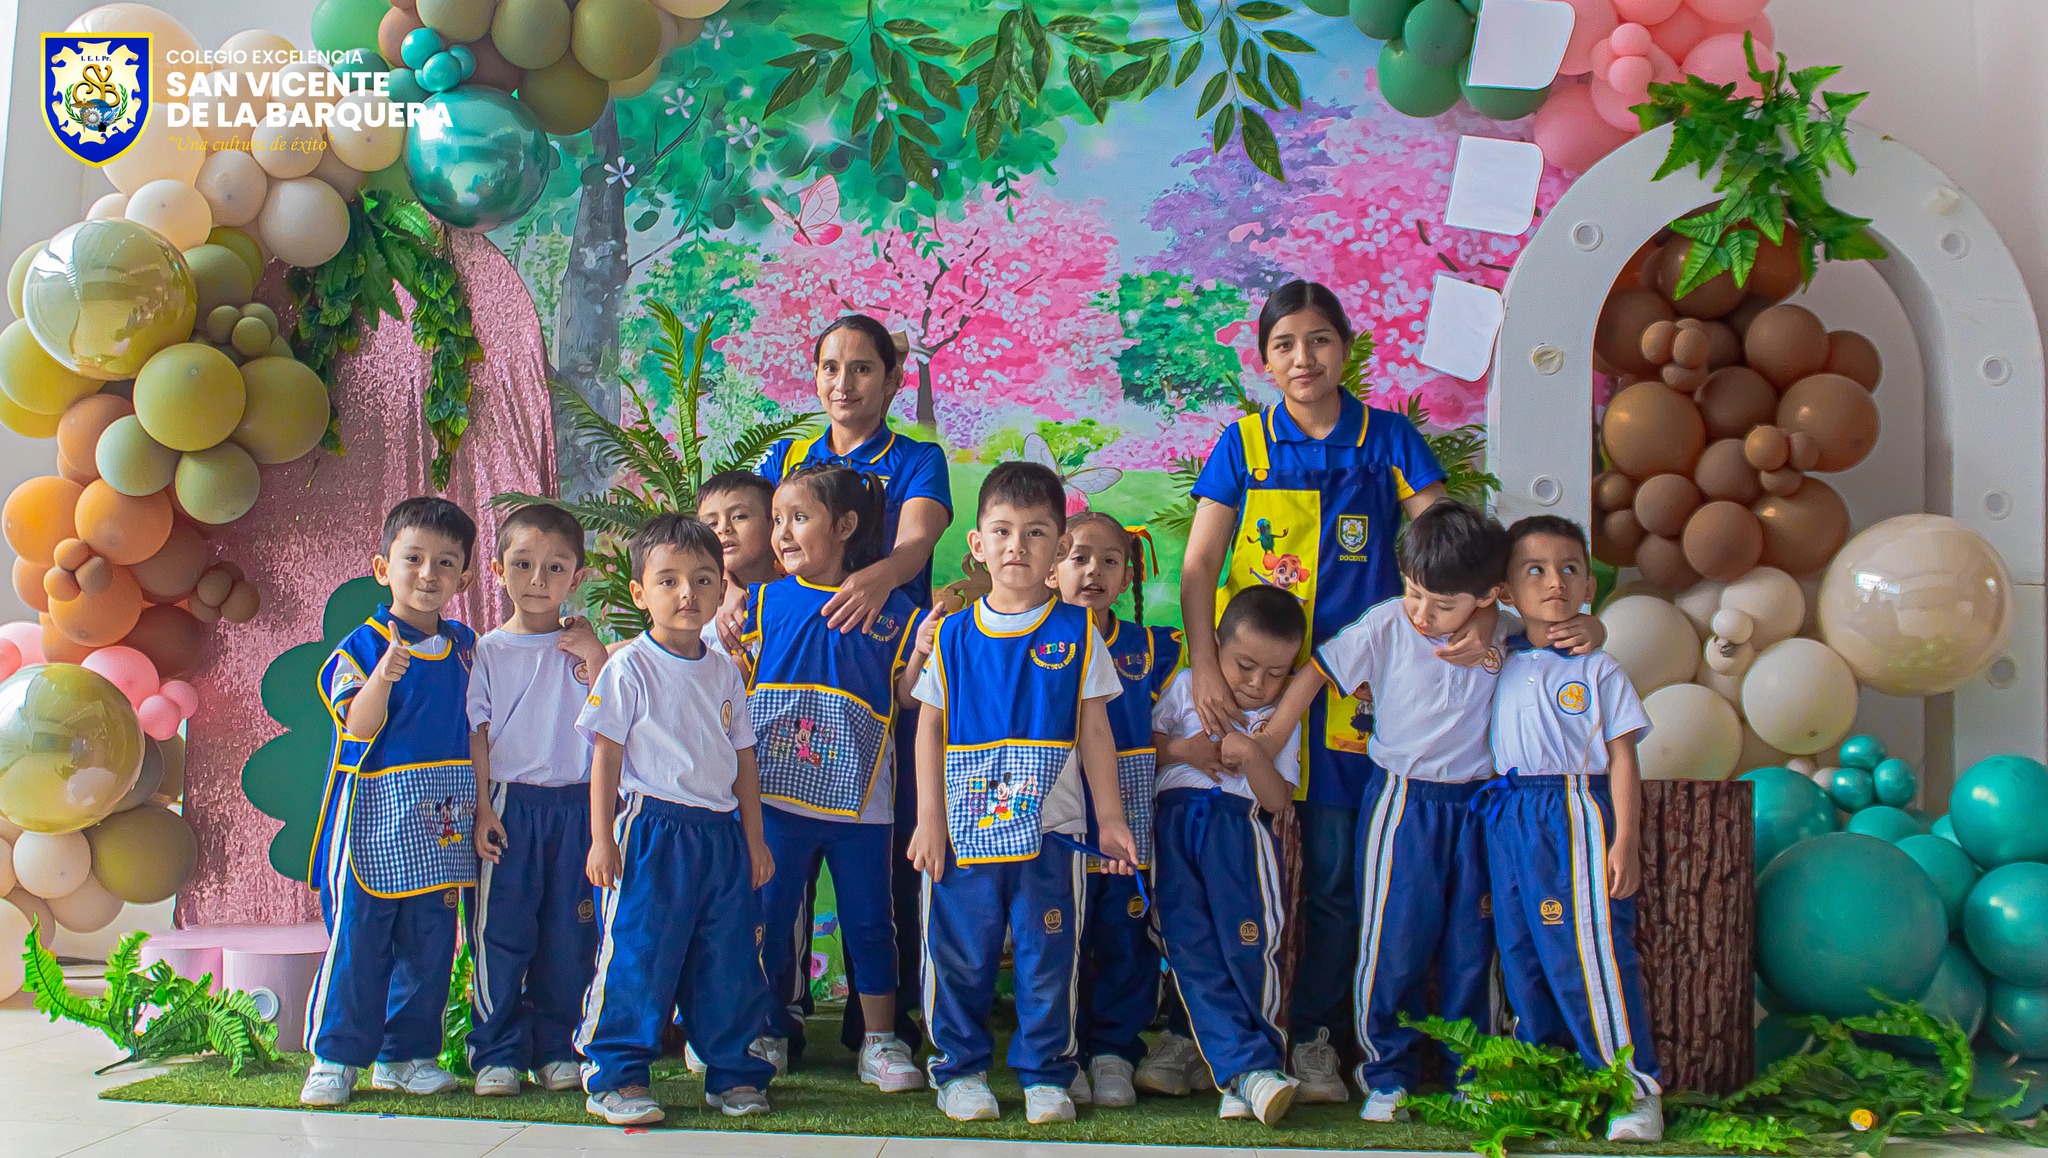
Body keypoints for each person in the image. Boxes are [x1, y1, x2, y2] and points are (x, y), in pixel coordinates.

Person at [1179, 280, 1471, 1102]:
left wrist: (1479, 614)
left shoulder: (1390, 440)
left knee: (1337, 879)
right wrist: (1205, 665)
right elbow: (1200, 566)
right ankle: (1214, 1033)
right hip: (1250, 690)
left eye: (1318, 340)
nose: (1302, 358)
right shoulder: (1243, 444)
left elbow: (1443, 543)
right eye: (1283, 345)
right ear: (1264, 360)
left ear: (1346, 347)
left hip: (1355, 701)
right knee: (1231, 867)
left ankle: (1316, 1038)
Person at [1267, 502, 1606, 1119]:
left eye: (1443, 604)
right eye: (1414, 592)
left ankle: (1471, 1072)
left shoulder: (1505, 628)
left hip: (1480, 808)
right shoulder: (1387, 624)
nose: (1423, 613)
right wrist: (1269, 741)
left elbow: (1565, 634)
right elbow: (1317, 672)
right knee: (1393, 940)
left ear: (1489, 594)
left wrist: (1591, 628)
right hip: (1403, 804)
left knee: (1473, 946)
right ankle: (1384, 1073)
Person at [903, 462, 1139, 1125]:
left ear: (1058, 548)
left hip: (1053, 833)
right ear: (977, 544)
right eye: (1002, 531)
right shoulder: (952, 634)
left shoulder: (1078, 632)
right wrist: (929, 819)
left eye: (1035, 533)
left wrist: (1111, 819)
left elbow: (1096, 730)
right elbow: (929, 728)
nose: (1017, 546)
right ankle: (959, 1071)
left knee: (1046, 958)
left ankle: (1046, 1072)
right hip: (963, 836)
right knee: (960, 957)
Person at [756, 314, 952, 1051]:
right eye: (830, 367)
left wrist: (876, 580)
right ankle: (779, 1016)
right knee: (781, 871)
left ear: (892, 380)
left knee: (884, 858)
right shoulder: (788, 455)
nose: (844, 382)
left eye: (863, 367)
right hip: (793, 675)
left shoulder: (917, 459)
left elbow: (916, 543)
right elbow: (762, 544)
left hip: (884, 669)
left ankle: (882, 1027)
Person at [574, 515, 777, 1125]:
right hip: (651, 832)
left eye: (703, 579)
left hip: (720, 836)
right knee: (638, 955)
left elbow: (743, 759)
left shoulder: (725, 670)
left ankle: (733, 1072)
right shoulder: (628, 667)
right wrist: (602, 839)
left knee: (728, 959)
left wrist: (755, 839)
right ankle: (616, 1075)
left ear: (721, 588)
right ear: (641, 593)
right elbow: (605, 756)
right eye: (669, 581)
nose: (687, 593)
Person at [739, 465, 926, 1093]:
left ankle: (879, 1040)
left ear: (845, 526)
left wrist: (922, 649)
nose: (782, 532)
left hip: (862, 805)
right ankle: (766, 1029)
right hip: (776, 800)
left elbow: (905, 697)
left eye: (799, 518)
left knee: (870, 921)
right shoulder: (762, 603)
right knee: (770, 914)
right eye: (777, 520)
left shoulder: (895, 612)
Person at [1478, 515, 1663, 1142]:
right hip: (1507, 813)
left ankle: (1633, 1089)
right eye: (1534, 570)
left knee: (1586, 952)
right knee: (1520, 952)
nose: (1554, 581)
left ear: (1589, 586)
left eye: (1569, 569)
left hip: (1573, 809)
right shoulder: (1498, 655)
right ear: (1506, 590)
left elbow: (1623, 758)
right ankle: (1546, 1083)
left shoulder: (1599, 669)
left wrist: (1624, 841)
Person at [300, 498, 480, 1108]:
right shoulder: (360, 646)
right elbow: (356, 724)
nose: (429, 573)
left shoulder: (465, 647)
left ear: (465, 578)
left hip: (443, 823)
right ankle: (335, 1058)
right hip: (372, 821)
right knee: (359, 940)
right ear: (383, 568)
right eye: (414, 559)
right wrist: (384, 675)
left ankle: (407, 1056)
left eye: (446, 562)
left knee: (431, 942)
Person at [463, 503, 610, 1097]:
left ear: (578, 576)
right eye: (522, 564)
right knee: (501, 932)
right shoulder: (487, 651)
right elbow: (477, 734)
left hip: (577, 807)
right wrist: (483, 807)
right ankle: (496, 1052)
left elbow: (613, 723)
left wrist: (594, 655)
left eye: (555, 567)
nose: (538, 580)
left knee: (570, 937)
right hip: (510, 806)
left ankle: (557, 1048)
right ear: (497, 570)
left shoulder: (588, 650)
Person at [1149, 585, 1307, 1127]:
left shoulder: (1280, 716)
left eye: (1275, 673)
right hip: (1174, 832)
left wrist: (1254, 755)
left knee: (1249, 948)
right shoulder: (1186, 686)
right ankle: (1247, 1071)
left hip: (1240, 837)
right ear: (1214, 647)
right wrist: (1183, 751)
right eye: (1244, 665)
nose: (1257, 684)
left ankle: (1251, 1069)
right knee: (1189, 950)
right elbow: (1141, 748)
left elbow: (1279, 799)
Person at [1050, 511, 1181, 1109]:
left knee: (1123, 937)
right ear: (1052, 568)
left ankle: (1114, 1053)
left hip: (1125, 820)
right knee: (1058, 938)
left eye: (1110, 560)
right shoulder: (1033, 641)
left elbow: (1172, 728)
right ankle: (1064, 1052)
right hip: (1057, 819)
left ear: (1129, 576)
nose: (1093, 571)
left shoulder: (1151, 648)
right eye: (1078, 557)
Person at [698, 470, 782, 637]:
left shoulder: (801, 594)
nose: (723, 528)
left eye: (739, 516)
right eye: (711, 524)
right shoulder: (696, 609)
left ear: (773, 524)